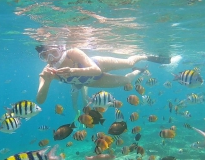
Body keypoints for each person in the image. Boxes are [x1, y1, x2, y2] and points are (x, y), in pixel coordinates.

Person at [36, 45, 170, 114]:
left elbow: (96, 70)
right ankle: (138, 70)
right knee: (126, 81)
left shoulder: (72, 53)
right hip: (92, 82)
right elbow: (40, 101)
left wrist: (72, 71)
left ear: (61, 49)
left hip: (98, 64)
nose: (52, 59)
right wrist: (47, 82)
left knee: (128, 63)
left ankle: (143, 56)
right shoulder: (47, 72)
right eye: (45, 56)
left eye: (54, 52)